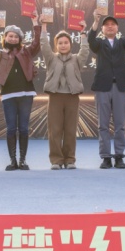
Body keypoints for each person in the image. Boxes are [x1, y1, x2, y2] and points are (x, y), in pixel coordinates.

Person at [0, 12, 41, 171]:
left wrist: (35, 23)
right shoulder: (1, 55)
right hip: (8, 95)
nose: (13, 39)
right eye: (10, 36)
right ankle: (13, 161)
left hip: (26, 94)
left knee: (24, 128)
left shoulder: (26, 52)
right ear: (5, 37)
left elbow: (37, 43)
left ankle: (23, 160)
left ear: (20, 39)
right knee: (11, 128)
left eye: (16, 36)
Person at [89, 6, 125, 169]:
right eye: (106, 25)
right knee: (103, 124)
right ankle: (106, 157)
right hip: (103, 87)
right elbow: (91, 41)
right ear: (102, 29)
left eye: (113, 24)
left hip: (120, 87)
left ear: (117, 28)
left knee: (120, 125)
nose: (110, 26)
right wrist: (95, 21)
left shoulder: (122, 43)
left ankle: (119, 156)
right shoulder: (99, 44)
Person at [40, 14, 90, 169]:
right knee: (54, 130)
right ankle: (56, 160)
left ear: (70, 44)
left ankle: (69, 160)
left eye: (66, 42)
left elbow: (85, 51)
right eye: (60, 43)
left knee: (70, 130)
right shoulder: (51, 58)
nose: (63, 45)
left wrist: (83, 33)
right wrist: (43, 26)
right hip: (55, 97)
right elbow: (44, 45)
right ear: (56, 45)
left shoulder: (76, 59)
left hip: (72, 98)